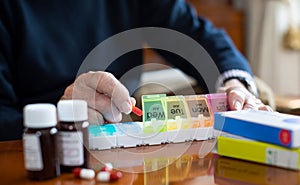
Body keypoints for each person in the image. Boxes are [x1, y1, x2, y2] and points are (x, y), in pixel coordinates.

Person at [0, 0, 272, 141]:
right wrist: (61, 117)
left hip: (124, 142)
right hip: (38, 151)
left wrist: (235, 83)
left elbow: (196, 35)